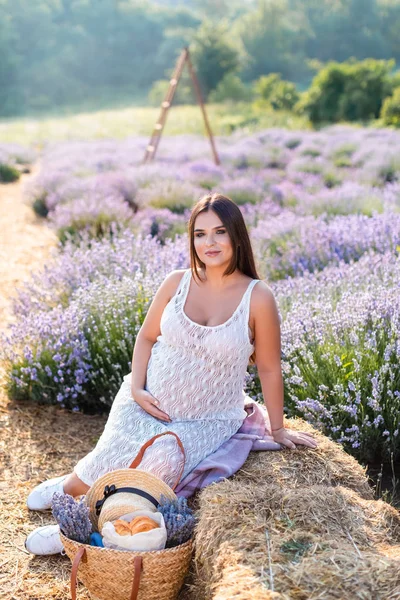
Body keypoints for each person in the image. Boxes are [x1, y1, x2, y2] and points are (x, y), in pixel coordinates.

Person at [25, 193, 317, 555]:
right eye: (199, 234)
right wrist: (136, 389)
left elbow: (270, 368)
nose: (208, 243)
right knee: (88, 474)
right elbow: (146, 337)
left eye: (219, 232)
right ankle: (69, 487)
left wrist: (278, 428)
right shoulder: (177, 281)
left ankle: (73, 526)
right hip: (145, 402)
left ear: (237, 236)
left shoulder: (258, 297)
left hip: (204, 419)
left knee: (153, 474)